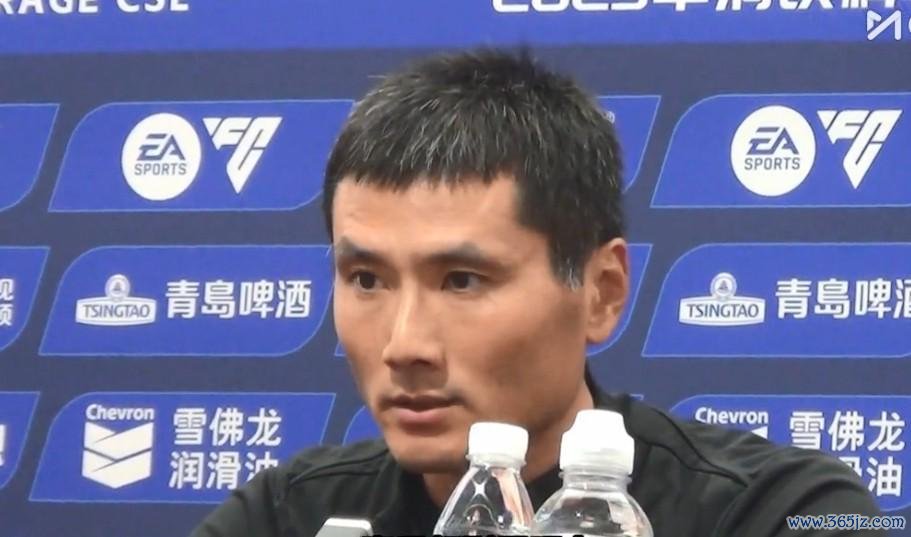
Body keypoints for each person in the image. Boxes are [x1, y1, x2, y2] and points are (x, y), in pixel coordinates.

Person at [190, 49, 880, 537]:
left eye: (461, 280)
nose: (404, 344)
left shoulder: (783, 510)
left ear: (601, 292)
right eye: (366, 279)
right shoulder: (285, 514)